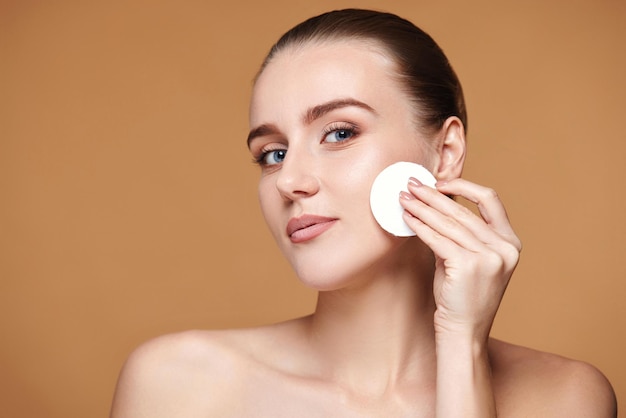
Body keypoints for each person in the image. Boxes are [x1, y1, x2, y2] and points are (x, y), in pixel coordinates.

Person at [110, 9, 616, 417]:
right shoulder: (179, 386)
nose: (289, 180)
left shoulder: (563, 399)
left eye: (340, 133)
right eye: (273, 153)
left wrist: (463, 346)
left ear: (443, 154)